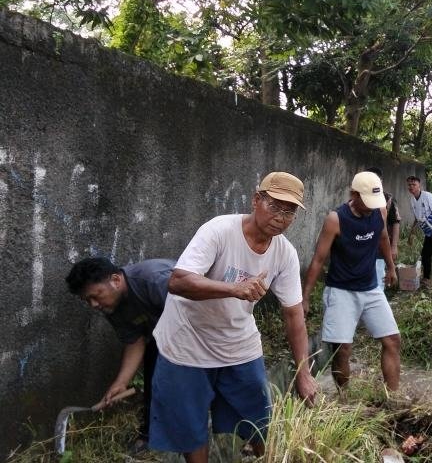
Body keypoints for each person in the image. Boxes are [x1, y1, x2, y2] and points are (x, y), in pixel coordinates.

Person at [150, 171, 317, 463]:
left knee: (259, 416)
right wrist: (233, 289)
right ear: (256, 200)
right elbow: (178, 281)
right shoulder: (219, 230)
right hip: (187, 341)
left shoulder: (285, 254)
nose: (281, 217)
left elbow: (293, 316)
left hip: (237, 342)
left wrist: (303, 373)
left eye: (289, 211)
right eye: (275, 206)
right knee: (192, 427)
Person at [302, 171, 401, 391]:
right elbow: (318, 260)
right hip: (341, 291)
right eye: (366, 202)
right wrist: (305, 297)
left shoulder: (379, 211)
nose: (370, 207)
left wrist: (391, 267)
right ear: (353, 194)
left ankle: (393, 398)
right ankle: (344, 397)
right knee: (343, 349)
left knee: (392, 340)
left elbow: (383, 237)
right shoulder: (336, 219)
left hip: (371, 288)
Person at [65, 256, 175, 453]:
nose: (94, 305)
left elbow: (199, 315)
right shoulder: (112, 305)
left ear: (115, 280)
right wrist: (121, 382)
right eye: (87, 300)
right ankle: (151, 437)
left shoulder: (155, 280)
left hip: (203, 329)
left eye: (95, 296)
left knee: (189, 385)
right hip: (163, 336)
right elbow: (135, 341)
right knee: (154, 377)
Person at [406, 175, 432, 284]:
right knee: (425, 255)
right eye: (409, 185)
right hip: (428, 233)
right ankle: (427, 278)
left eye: (414, 184)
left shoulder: (427, 196)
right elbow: (417, 218)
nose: (411, 187)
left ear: (420, 185)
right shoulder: (412, 200)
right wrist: (411, 234)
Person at [365, 166, 401, 285]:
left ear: (381, 181)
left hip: (381, 245)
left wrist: (394, 246)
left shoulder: (388, 199)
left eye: (376, 180)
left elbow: (396, 223)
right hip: (363, 245)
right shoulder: (361, 198)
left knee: (379, 276)